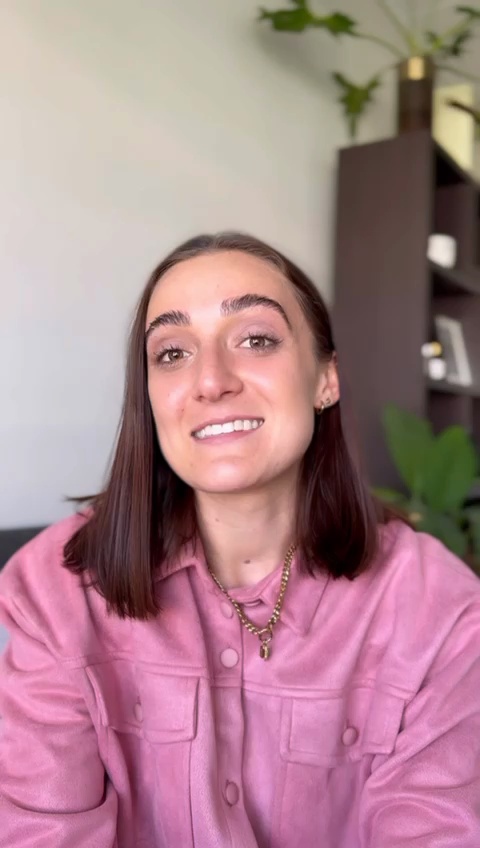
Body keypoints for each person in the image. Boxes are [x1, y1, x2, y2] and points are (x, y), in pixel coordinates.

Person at [0, 232, 479, 848]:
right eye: (172, 352)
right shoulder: (57, 591)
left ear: (325, 379)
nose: (210, 380)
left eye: (256, 340)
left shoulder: (440, 610)